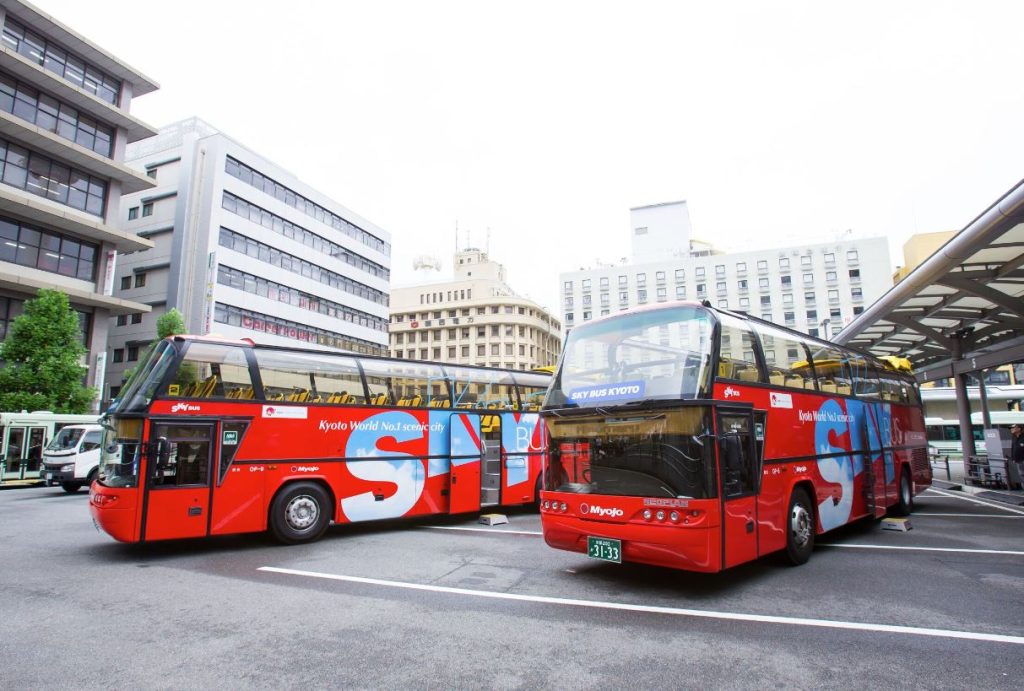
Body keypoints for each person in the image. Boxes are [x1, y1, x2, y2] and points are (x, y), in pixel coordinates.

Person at [1010, 424, 1024, 489]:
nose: (1011, 429)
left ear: (1019, 429)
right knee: (1021, 474)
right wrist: (1013, 458)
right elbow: (1013, 448)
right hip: (1018, 460)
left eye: (1013, 427)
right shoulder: (1014, 437)